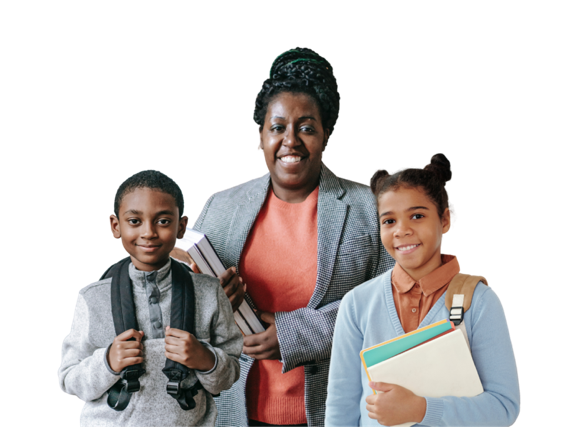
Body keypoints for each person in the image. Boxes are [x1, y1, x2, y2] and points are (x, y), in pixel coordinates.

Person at [169, 46, 395, 428]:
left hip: (337, 410)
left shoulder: (368, 208)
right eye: (277, 128)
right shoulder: (220, 207)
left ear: (325, 137)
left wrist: (295, 335)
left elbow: (394, 303)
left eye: (306, 127)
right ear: (260, 139)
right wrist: (207, 299)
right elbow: (183, 310)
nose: (291, 140)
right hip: (234, 411)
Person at [324, 154, 520, 426]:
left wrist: (422, 409)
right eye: (389, 221)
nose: (402, 230)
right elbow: (340, 409)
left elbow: (503, 409)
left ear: (445, 220)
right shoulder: (357, 304)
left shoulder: (479, 302)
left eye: (417, 216)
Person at [57, 170, 243, 427]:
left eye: (163, 221)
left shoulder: (210, 293)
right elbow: (70, 382)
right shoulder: (92, 298)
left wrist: (204, 358)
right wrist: (107, 361)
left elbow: (230, 373)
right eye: (134, 221)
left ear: (181, 227)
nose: (149, 233)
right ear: (116, 226)